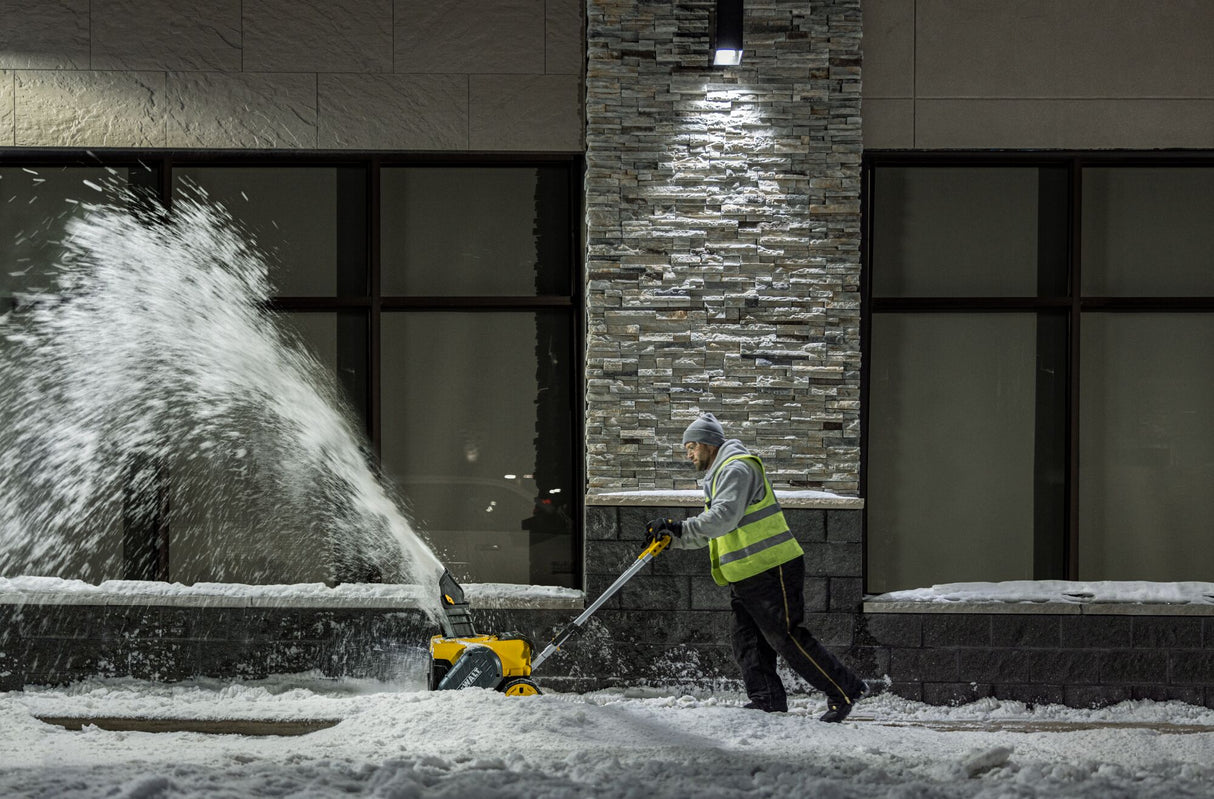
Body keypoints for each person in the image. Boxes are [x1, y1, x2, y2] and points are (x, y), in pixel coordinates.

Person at [646, 413, 867, 722]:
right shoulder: (722, 473)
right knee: (746, 639)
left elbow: (723, 518)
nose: (689, 455)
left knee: (786, 637)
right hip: (746, 573)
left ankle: (844, 689)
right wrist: (673, 539)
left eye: (691, 447)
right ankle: (767, 699)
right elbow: (718, 529)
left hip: (770, 568)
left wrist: (679, 527)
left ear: (707, 444)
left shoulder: (737, 468)